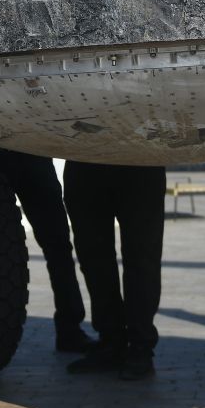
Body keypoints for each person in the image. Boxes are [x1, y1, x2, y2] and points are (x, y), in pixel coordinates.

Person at [62, 160, 166, 380]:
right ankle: (111, 341)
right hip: (84, 159)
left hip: (139, 160)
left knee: (142, 258)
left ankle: (141, 346)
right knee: (93, 258)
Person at [0, 155, 91, 352]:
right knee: (57, 250)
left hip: (27, 157)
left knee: (58, 248)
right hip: (13, 156)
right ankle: (69, 327)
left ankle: (69, 328)